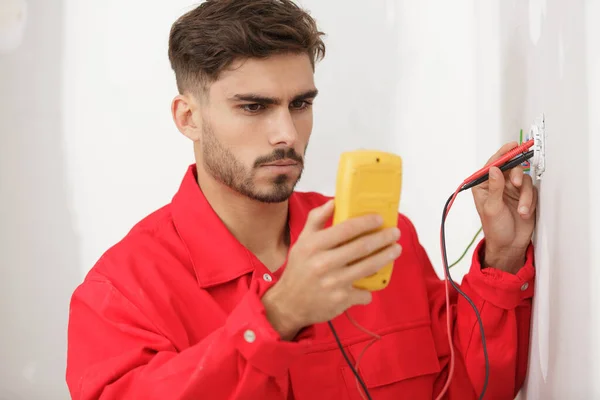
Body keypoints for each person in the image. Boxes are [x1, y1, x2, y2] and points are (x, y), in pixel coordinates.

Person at [65, 1, 538, 399]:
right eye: (254, 107)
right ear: (188, 117)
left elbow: (465, 388)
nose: (287, 135)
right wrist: (278, 315)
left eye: (300, 104)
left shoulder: (376, 238)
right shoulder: (119, 294)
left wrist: (503, 256)